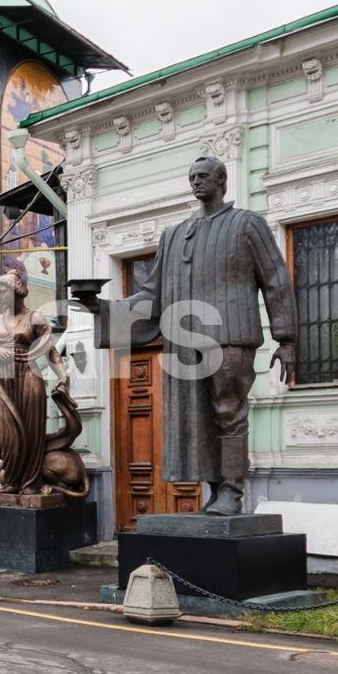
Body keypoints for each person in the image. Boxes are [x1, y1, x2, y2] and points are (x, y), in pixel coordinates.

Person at [122, 156, 296, 515]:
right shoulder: (174, 235)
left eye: (203, 176)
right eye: (191, 177)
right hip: (185, 343)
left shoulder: (246, 224)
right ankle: (215, 492)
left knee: (229, 411)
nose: (196, 182)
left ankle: (232, 491)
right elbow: (150, 294)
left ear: (222, 180)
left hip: (231, 335)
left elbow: (276, 280)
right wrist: (101, 308)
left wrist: (287, 338)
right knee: (196, 418)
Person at [0, 267, 66, 495]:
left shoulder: (35, 318)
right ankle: (12, 480)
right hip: (1, 383)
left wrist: (63, 375)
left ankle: (30, 483)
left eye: (2, 292)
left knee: (30, 431)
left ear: (16, 292)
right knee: (6, 432)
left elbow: (52, 351)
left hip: (28, 378)